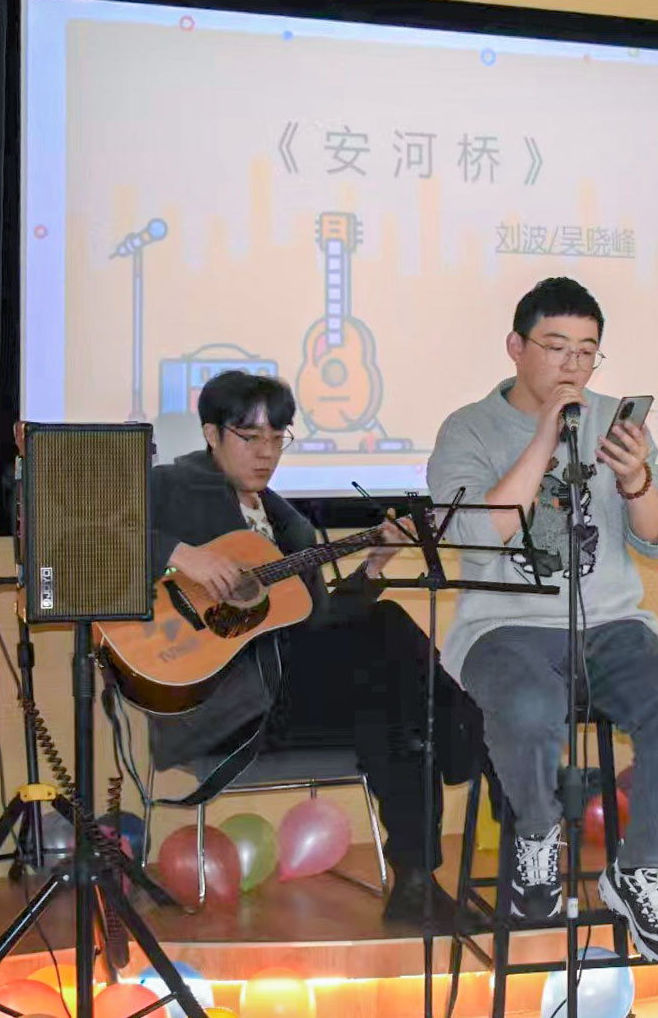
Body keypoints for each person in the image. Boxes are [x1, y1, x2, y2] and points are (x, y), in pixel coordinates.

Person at [427, 276, 658, 965]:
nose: (573, 366)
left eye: (587, 351)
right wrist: (547, 436)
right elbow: (476, 536)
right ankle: (537, 831)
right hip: (503, 627)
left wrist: (637, 479)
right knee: (528, 705)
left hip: (611, 624)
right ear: (516, 347)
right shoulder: (468, 428)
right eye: (556, 347)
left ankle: (639, 868)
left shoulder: (616, 421)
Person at [145, 369, 478, 924]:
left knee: (397, 702)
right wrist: (182, 554)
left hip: (289, 699)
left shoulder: (289, 523)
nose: (266, 453)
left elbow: (318, 625)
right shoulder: (169, 488)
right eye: (250, 437)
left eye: (278, 438)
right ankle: (469, 729)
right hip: (219, 705)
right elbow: (86, 535)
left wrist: (374, 567)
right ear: (211, 434)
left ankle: (416, 884)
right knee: (393, 648)